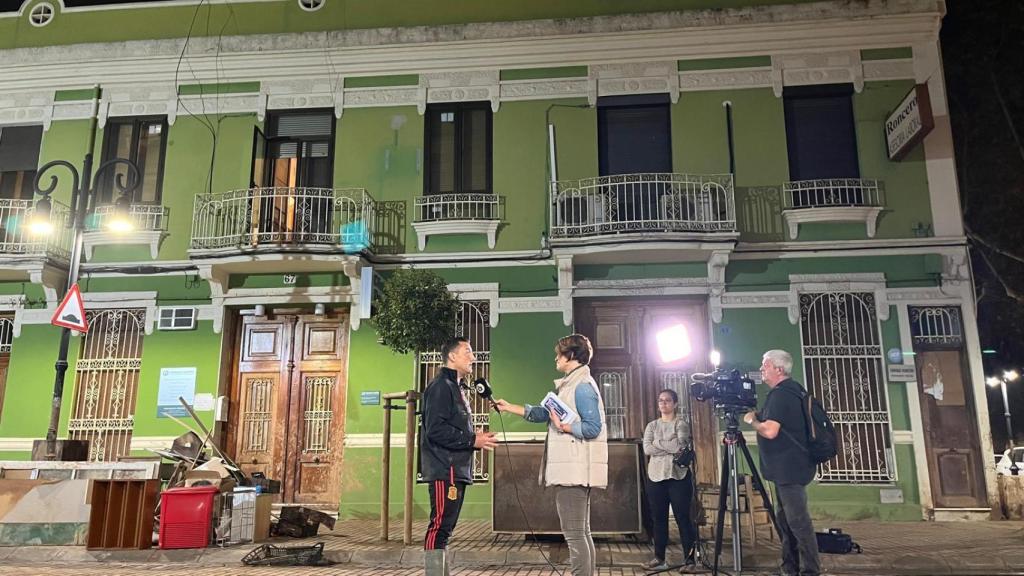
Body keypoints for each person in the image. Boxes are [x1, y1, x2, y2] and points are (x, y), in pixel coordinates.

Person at [495, 334, 607, 576]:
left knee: (575, 534)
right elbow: (542, 413)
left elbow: (592, 427)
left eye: (560, 353)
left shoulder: (582, 387)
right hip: (572, 469)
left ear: (572, 356)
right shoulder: (570, 384)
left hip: (574, 471)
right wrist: (509, 407)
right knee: (581, 532)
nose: (556, 357)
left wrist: (564, 426)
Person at [421, 337, 498, 576]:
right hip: (446, 468)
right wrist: (472, 440)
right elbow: (435, 429)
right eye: (468, 351)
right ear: (452, 356)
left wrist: (473, 437)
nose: (473, 357)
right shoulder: (441, 386)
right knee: (440, 526)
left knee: (446, 528)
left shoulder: (457, 387)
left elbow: (449, 426)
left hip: (456, 468)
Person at [744, 349, 820, 576]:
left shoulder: (781, 394)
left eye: (764, 365)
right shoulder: (793, 391)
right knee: (786, 521)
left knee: (798, 522)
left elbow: (770, 431)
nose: (761, 369)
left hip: (789, 470)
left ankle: (810, 571)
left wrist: (752, 421)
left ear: (778, 369)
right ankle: (790, 567)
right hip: (790, 468)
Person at [642, 389, 698, 572]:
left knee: (683, 517)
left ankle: (689, 561)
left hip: (678, 477)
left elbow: (679, 445)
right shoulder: (651, 426)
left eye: (667, 401)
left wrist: (658, 443)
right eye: (660, 401)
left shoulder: (681, 424)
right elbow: (647, 449)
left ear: (675, 404)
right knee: (658, 518)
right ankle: (659, 558)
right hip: (656, 476)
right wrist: (665, 446)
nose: (663, 404)